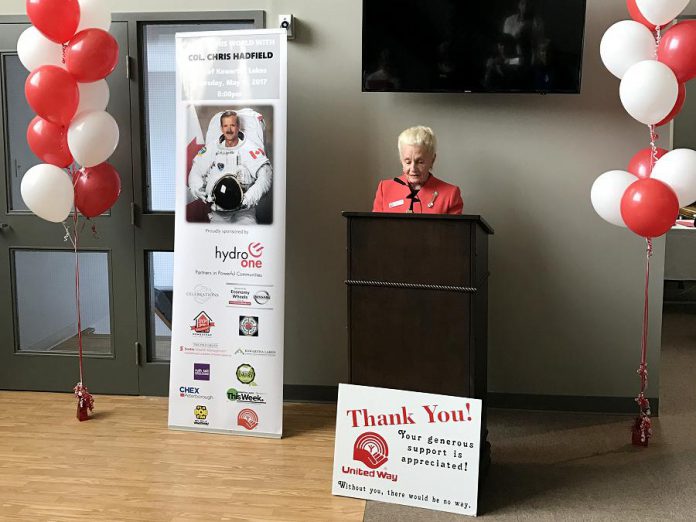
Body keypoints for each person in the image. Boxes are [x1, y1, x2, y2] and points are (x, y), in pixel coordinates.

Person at [188, 109, 272, 225]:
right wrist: (197, 188)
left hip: (244, 212)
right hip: (218, 212)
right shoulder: (212, 148)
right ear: (221, 128)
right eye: (225, 126)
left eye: (232, 125)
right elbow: (196, 169)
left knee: (248, 237)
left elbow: (265, 175)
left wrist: (248, 198)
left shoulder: (250, 149)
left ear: (238, 127)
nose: (229, 129)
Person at [372, 126, 463, 214]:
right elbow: (376, 227)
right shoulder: (385, 189)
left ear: (432, 160)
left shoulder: (450, 194)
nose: (413, 169)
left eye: (420, 162)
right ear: (401, 159)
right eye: (408, 162)